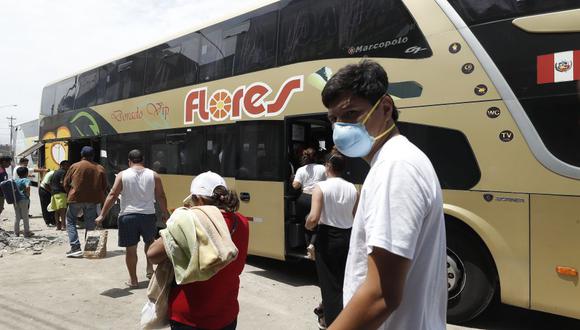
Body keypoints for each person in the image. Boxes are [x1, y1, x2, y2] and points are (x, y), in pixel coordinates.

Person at [321, 60, 446, 330]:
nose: (340, 127)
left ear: (386, 108)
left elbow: (380, 296)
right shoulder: (397, 160)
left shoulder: (395, 166)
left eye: (351, 113)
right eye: (333, 119)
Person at [147, 171, 249, 330]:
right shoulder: (241, 221)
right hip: (226, 313)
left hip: (189, 316)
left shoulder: (189, 221)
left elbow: (152, 255)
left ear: (199, 199)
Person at [95, 149, 169, 288]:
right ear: (143, 160)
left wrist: (102, 215)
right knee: (150, 243)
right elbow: (161, 196)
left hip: (128, 216)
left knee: (131, 249)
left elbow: (112, 195)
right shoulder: (154, 175)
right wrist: (165, 213)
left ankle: (133, 280)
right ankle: (149, 270)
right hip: (148, 215)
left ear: (129, 161)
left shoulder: (123, 175)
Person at [305, 151, 358, 328]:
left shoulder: (321, 187)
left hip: (327, 238)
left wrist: (307, 226)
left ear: (328, 166)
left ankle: (333, 322)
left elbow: (313, 218)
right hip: (347, 237)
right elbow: (355, 215)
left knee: (329, 284)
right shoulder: (352, 188)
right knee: (344, 281)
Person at [62, 146, 108, 258]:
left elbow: (65, 183)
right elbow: (104, 186)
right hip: (92, 200)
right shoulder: (100, 168)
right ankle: (90, 249)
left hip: (76, 198)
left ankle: (75, 248)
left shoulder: (75, 166)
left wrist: (71, 193)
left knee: (71, 221)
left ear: (82, 155)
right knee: (90, 224)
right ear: (93, 155)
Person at [292, 147, 326, 258]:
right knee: (318, 222)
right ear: (316, 157)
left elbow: (296, 185)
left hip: (303, 198)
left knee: (305, 224)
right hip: (316, 198)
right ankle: (313, 245)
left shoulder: (301, 170)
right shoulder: (322, 168)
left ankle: (308, 250)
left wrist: (293, 179)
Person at [50, 160, 70, 230]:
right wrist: (68, 191)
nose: (68, 167)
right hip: (61, 193)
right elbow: (62, 183)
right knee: (62, 210)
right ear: (62, 165)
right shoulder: (63, 172)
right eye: (67, 165)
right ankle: (63, 226)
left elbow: (50, 183)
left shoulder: (55, 172)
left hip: (53, 193)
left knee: (56, 211)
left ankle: (58, 226)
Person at [13, 166, 33, 237]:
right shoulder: (26, 180)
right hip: (24, 199)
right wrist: (28, 194)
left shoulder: (15, 180)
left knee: (17, 217)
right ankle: (26, 232)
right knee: (25, 216)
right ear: (26, 173)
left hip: (16, 200)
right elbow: (27, 186)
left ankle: (16, 233)